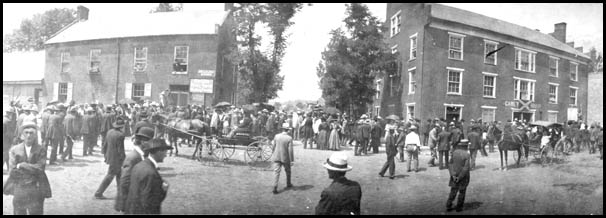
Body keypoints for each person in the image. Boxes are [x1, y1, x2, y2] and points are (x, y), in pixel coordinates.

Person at [3, 122, 52, 215]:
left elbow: (40, 169)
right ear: (22, 135)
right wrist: (32, 169)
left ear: (35, 135)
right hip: (20, 188)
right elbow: (12, 171)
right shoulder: (15, 150)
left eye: (31, 133)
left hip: (36, 187)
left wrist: (22, 165)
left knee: (36, 212)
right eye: (26, 132)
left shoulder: (41, 149)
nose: (29, 135)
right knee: (19, 212)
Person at [125, 138, 172, 214]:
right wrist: (163, 190)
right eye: (165, 151)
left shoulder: (138, 165)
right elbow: (150, 203)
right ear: (159, 151)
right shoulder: (151, 173)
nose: (166, 155)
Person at [115, 126, 154, 213]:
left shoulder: (141, 156)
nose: (152, 145)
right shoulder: (133, 157)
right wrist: (124, 205)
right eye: (151, 141)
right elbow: (125, 183)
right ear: (144, 142)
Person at [94, 117, 126, 199]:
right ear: (122, 127)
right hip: (117, 159)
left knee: (119, 175)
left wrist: (105, 155)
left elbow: (105, 145)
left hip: (110, 157)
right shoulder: (120, 135)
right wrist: (124, 160)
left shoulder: (109, 132)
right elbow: (120, 150)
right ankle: (98, 193)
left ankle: (120, 194)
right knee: (110, 175)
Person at [446, 139, 471, 212]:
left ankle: (448, 205)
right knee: (462, 192)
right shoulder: (467, 154)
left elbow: (450, 164)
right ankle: (459, 207)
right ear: (466, 146)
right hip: (463, 177)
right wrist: (460, 177)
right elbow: (466, 168)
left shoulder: (454, 153)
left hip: (454, 175)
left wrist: (453, 175)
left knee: (453, 191)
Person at [271, 123, 294, 194]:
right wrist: (291, 160)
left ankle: (275, 186)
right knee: (288, 171)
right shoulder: (289, 138)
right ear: (288, 130)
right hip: (285, 157)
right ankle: (288, 183)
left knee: (276, 172)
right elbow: (290, 150)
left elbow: (273, 146)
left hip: (277, 156)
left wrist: (273, 153)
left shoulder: (276, 136)